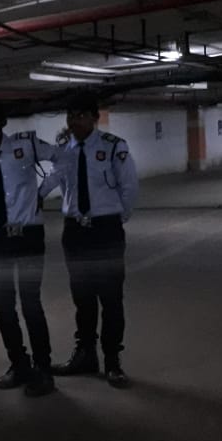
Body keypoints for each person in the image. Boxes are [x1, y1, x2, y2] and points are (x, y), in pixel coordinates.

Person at [0, 101, 59, 397]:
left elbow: (63, 158)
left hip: (28, 235)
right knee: (4, 307)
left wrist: (43, 191)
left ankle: (43, 369)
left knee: (31, 304)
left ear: (2, 124)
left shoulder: (26, 145)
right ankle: (19, 364)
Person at [49, 92, 138, 387]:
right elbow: (63, 185)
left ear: (94, 118)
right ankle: (85, 354)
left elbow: (129, 187)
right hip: (75, 232)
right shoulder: (64, 150)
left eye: (81, 115)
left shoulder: (113, 147)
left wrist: (115, 218)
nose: (75, 121)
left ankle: (112, 361)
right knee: (83, 298)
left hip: (105, 230)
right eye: (71, 116)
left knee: (110, 298)